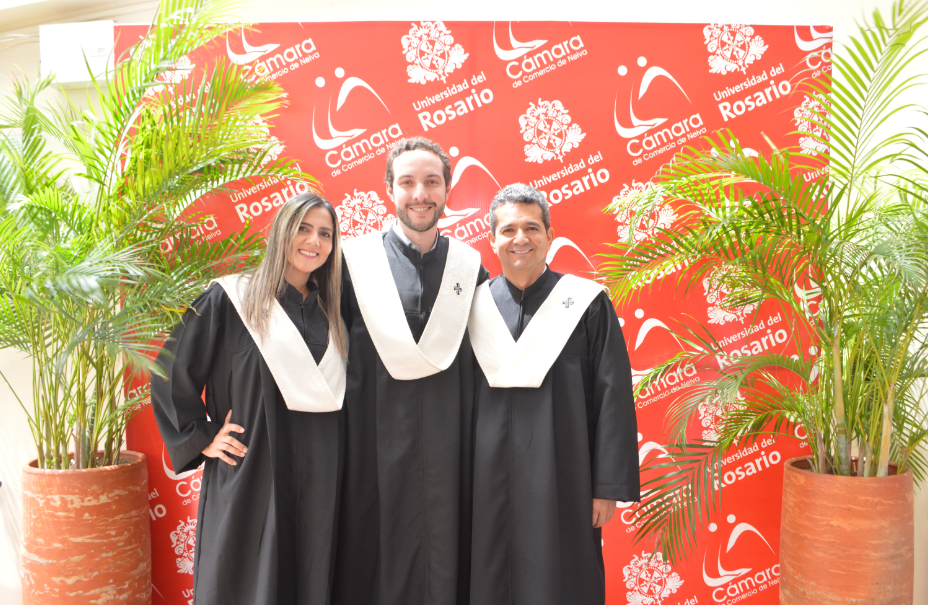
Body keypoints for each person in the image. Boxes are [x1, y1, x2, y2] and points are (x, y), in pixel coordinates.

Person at [151, 193, 347, 605]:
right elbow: (171, 369)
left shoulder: (333, 312)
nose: (314, 241)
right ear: (282, 232)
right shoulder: (233, 299)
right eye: (303, 228)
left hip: (321, 468)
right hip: (254, 465)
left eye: (325, 234)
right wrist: (200, 435)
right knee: (246, 577)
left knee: (312, 570)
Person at [332, 137, 489, 605]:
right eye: (407, 182)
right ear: (389, 190)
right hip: (370, 440)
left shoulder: (471, 269)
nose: (419, 193)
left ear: (447, 189)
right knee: (372, 555)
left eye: (431, 182)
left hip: (451, 442)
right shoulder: (351, 264)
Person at [467, 183, 641, 605]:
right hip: (482, 479)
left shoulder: (585, 304)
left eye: (531, 227)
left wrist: (605, 487)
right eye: (507, 230)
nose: (520, 239)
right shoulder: (471, 309)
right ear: (492, 240)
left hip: (565, 476)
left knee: (561, 578)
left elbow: (612, 395)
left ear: (549, 235)